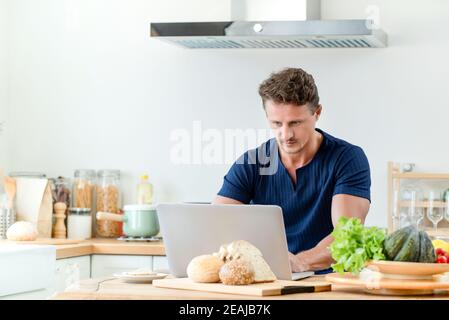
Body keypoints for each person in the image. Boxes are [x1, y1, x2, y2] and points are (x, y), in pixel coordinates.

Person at [213, 67, 371, 274]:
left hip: (329, 282)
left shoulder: (347, 159)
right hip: (268, 279)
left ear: (317, 113)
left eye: (295, 123)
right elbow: (217, 224)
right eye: (276, 123)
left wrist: (300, 263)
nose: (286, 134)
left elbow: (348, 235)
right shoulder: (251, 163)